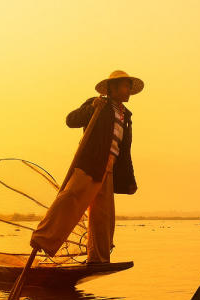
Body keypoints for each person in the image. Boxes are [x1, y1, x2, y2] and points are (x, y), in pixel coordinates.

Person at [30, 70, 141, 263]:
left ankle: (98, 258)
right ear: (112, 88)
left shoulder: (126, 116)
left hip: (108, 168)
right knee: (71, 198)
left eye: (130, 87)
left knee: (103, 215)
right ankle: (43, 239)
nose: (129, 91)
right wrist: (91, 109)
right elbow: (71, 120)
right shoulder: (98, 104)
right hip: (91, 163)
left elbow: (124, 151)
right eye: (126, 86)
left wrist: (129, 179)